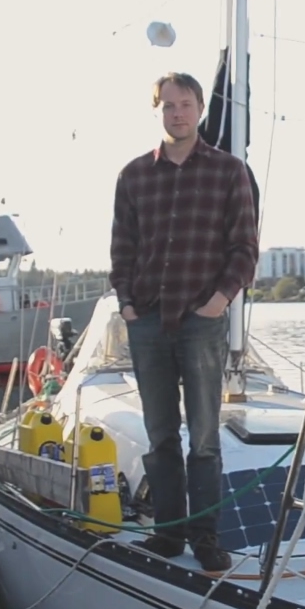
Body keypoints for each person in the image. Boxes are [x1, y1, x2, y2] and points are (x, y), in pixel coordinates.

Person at [108, 72, 258, 572]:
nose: (178, 113)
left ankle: (206, 538)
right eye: (168, 105)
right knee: (161, 436)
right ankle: (169, 537)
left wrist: (218, 301)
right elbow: (122, 248)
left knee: (205, 438)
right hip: (147, 320)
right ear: (157, 111)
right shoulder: (133, 176)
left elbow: (244, 249)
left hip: (201, 320)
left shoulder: (228, 172)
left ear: (198, 109)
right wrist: (127, 304)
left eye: (187, 104)